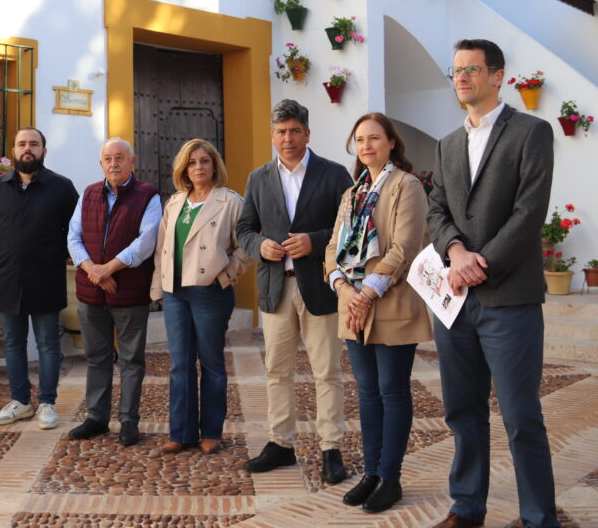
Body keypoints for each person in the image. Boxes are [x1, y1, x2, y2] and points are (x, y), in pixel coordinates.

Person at [427, 39, 558, 528]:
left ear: (498, 76)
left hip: (509, 300)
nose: (461, 78)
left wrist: (482, 263)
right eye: (456, 70)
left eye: (472, 70)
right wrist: (456, 253)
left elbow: (530, 212)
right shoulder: (446, 143)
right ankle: (467, 506)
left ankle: (539, 517)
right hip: (455, 304)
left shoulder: (531, 131)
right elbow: (437, 210)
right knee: (462, 410)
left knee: (521, 417)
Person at [236, 99, 352, 481]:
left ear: (307, 133)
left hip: (320, 288)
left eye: (295, 130)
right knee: (277, 372)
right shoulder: (258, 178)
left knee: (327, 372)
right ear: (273, 136)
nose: (288, 138)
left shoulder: (334, 175)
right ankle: (280, 444)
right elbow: (244, 231)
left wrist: (315, 241)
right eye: (281, 131)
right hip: (275, 289)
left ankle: (331, 448)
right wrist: (259, 247)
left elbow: (350, 230)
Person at [324, 113, 432, 513]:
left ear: (391, 142)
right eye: (360, 140)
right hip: (353, 305)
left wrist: (366, 293)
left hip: (391, 303)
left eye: (374, 138)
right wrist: (345, 289)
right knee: (366, 393)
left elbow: (404, 248)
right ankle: (370, 472)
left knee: (393, 391)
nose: (366, 145)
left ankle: (391, 477)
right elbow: (332, 250)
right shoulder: (351, 193)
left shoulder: (407, 186)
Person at [151, 138, 251, 454]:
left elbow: (246, 246)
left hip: (210, 293)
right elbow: (161, 250)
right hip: (176, 293)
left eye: (204, 161)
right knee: (180, 364)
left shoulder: (231, 202)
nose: (198, 168)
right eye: (192, 162)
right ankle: (180, 433)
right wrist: (160, 289)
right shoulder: (175, 202)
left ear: (214, 165)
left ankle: (211, 431)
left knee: (211, 363)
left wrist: (225, 275)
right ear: (184, 168)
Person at [0, 126, 79, 430]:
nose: (28, 149)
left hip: (46, 276)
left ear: (44, 151)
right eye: (22, 143)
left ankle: (47, 402)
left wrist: (53, 254)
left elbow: (75, 229)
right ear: (13, 151)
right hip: (7, 276)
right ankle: (21, 402)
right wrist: (15, 252)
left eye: (33, 144)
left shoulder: (62, 188)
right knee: (12, 342)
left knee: (49, 343)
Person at [66, 137, 161, 447]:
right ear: (101, 163)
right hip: (91, 293)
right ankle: (96, 417)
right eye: (108, 158)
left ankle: (129, 421)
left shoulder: (148, 196)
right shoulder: (89, 193)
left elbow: (146, 242)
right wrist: (94, 269)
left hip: (129, 292)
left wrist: (109, 268)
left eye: (120, 158)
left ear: (133, 162)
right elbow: (73, 237)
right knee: (97, 358)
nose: (114, 163)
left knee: (132, 360)